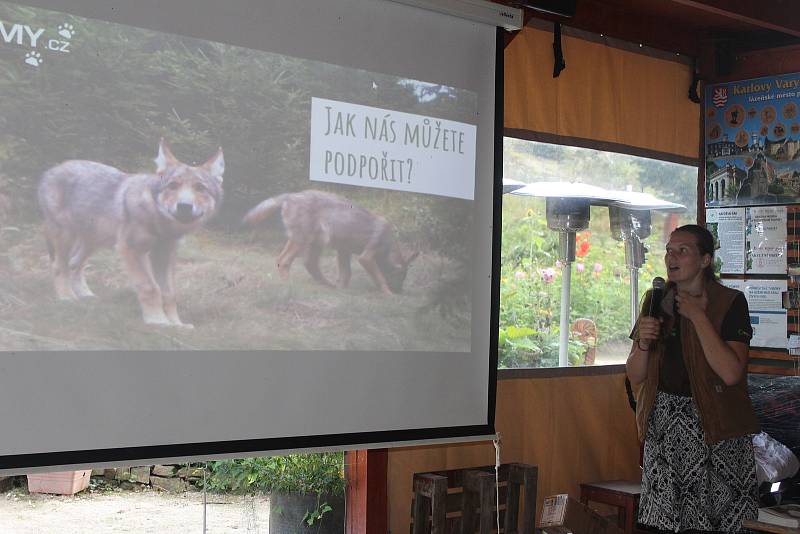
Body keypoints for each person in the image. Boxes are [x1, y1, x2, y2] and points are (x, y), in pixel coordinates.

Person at [626, 224, 759, 533]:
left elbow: (730, 373)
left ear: (705, 260)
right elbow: (635, 374)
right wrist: (644, 343)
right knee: (664, 523)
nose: (672, 257)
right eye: (669, 251)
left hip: (716, 430)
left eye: (682, 251)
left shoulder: (730, 302)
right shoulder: (655, 298)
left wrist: (698, 316)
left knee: (716, 524)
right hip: (665, 431)